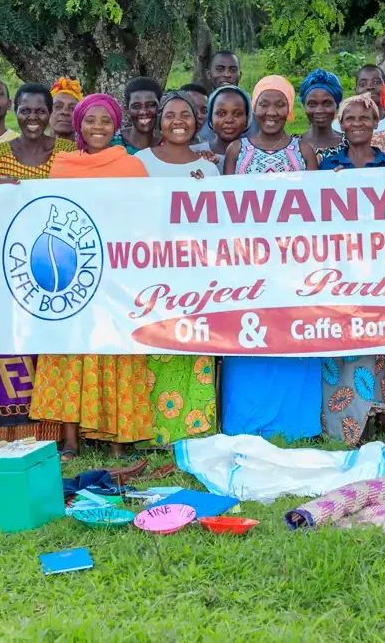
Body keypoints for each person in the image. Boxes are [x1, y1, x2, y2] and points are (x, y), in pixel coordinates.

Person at [30, 94, 155, 460]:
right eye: (90, 120)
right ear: (79, 124)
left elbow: (145, 221)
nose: (97, 127)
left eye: (105, 120)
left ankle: (119, 437)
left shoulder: (131, 167)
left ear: (116, 125)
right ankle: (70, 442)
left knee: (116, 350)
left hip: (118, 274)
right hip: (71, 273)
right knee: (72, 351)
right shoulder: (62, 166)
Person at [220, 75, 322, 441]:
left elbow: (319, 208)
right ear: (254, 107)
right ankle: (246, 419)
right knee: (250, 338)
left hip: (295, 266)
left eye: (279, 104)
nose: (271, 112)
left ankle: (297, 422)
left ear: (290, 109)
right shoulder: (237, 151)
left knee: (292, 336)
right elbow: (221, 210)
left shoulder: (303, 150)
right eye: (264, 103)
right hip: (247, 267)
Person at [0, 83, 76, 441]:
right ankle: (17, 427)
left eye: (40, 111)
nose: (33, 118)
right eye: (25, 110)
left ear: (50, 113)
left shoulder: (68, 151)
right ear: (14, 111)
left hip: (61, 264)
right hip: (13, 267)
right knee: (14, 341)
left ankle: (56, 426)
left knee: (55, 342)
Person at [135, 92, 220, 445]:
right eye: (170, 115)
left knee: (192, 346)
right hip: (150, 274)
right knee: (155, 347)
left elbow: (219, 224)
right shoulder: (139, 162)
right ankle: (152, 431)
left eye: (185, 114)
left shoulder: (210, 168)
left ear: (197, 121)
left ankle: (194, 429)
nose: (178, 121)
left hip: (195, 275)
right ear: (159, 122)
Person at [316, 93, 385, 445]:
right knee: (343, 344)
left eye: (365, 118)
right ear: (341, 124)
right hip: (339, 271)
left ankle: (377, 416)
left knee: (377, 343)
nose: (358, 124)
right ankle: (342, 424)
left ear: (376, 122)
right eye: (350, 119)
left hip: (380, 269)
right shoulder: (327, 168)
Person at [198, 50, 259, 140]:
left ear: (240, 75)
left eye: (233, 70)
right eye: (220, 69)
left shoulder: (252, 110)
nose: (227, 74)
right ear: (208, 74)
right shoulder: (200, 110)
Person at [192, 84, 251, 171]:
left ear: (247, 119)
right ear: (210, 118)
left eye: (237, 114)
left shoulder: (256, 155)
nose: (229, 120)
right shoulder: (194, 153)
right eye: (221, 113)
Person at [298, 69, 345, 161]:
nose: (319, 110)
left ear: (337, 105)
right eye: (312, 104)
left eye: (327, 103)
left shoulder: (349, 144)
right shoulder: (292, 146)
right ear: (304, 106)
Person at [333, 64, 385, 134]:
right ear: (356, 90)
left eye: (376, 82)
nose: (370, 87)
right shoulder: (339, 125)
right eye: (363, 84)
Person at [116, 76, 162, 154]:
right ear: (126, 109)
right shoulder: (113, 143)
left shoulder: (168, 142)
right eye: (136, 106)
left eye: (151, 105)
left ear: (160, 105)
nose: (144, 111)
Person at [49, 77, 83, 146]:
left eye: (72, 108)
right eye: (58, 106)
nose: (65, 112)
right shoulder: (29, 152)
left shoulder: (87, 154)